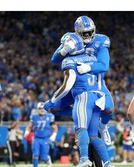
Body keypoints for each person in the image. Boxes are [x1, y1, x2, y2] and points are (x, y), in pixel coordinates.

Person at [47, 33, 115, 167]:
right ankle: (108, 162)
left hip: (82, 96)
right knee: (92, 135)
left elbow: (67, 86)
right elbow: (55, 57)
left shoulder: (70, 61)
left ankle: (84, 158)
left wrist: (51, 100)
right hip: (97, 95)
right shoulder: (91, 58)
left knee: (80, 127)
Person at [49, 15, 114, 146]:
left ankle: (103, 126)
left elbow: (104, 65)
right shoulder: (70, 38)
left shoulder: (101, 40)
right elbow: (54, 59)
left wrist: (89, 67)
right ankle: (76, 110)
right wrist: (64, 50)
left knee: (109, 110)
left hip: (95, 83)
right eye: (84, 33)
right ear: (78, 32)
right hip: (75, 84)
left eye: (90, 32)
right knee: (52, 108)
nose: (88, 35)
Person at [24, 102, 57, 167]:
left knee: (44, 158)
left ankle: (47, 158)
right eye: (40, 108)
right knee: (35, 155)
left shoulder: (50, 116)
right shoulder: (34, 116)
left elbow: (55, 128)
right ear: (37, 109)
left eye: (43, 108)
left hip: (45, 138)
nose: (42, 110)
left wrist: (54, 135)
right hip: (36, 138)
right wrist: (26, 132)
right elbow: (29, 126)